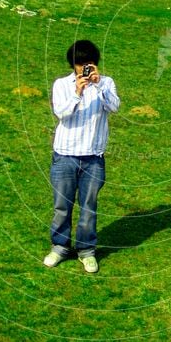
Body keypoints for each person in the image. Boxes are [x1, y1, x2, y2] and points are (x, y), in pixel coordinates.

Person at [44, 39, 120, 274]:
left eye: (88, 64)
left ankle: (86, 251)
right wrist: (78, 92)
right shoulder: (62, 85)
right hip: (65, 155)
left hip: (93, 158)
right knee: (62, 205)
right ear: (73, 65)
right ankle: (59, 247)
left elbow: (115, 107)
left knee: (89, 206)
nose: (84, 69)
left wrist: (97, 87)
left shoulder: (106, 83)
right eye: (80, 64)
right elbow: (61, 113)